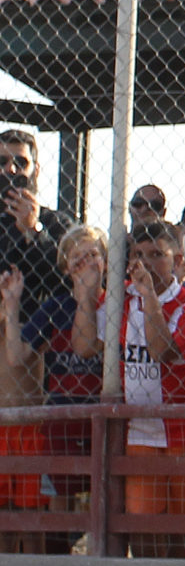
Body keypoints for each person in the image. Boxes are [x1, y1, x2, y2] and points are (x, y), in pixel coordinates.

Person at [76, 220, 185, 558]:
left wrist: (149, 296)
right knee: (142, 519)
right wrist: (86, 296)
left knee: (184, 519)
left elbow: (162, 351)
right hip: (138, 427)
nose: (146, 263)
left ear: (177, 261)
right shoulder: (120, 297)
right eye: (138, 254)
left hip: (183, 425)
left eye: (157, 255)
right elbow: (85, 346)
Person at [20, 225, 108, 544]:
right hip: (63, 411)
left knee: (104, 495)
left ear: (106, 261)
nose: (85, 262)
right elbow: (19, 355)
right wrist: (11, 307)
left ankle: (103, 557)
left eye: (93, 254)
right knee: (60, 494)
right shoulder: (56, 307)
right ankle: (59, 554)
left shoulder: (116, 305)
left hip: (102, 413)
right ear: (66, 267)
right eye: (76, 257)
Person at [0, 128, 75, 309]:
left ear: (36, 170)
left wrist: (33, 230)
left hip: (40, 321)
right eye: (2, 162)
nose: (11, 169)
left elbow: (67, 279)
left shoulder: (56, 223)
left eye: (20, 162)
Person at [0, 268, 44, 550]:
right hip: (1, 430)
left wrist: (11, 307)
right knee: (2, 520)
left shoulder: (31, 328)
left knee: (31, 518)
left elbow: (16, 356)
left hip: (29, 430)